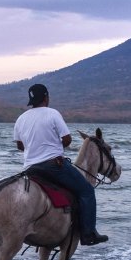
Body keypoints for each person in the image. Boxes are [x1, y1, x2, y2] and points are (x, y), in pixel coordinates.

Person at [13, 83, 108, 246]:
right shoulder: (52, 113)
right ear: (46, 97)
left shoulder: (21, 118)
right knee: (86, 191)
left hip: (30, 168)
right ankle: (88, 233)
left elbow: (20, 146)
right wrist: (52, 148)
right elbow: (67, 139)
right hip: (53, 165)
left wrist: (35, 148)